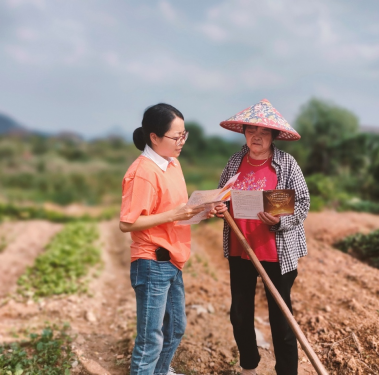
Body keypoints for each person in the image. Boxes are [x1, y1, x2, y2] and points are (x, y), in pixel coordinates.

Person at [119, 103, 224, 375]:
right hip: (152, 261)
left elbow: (178, 211)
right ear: (154, 137)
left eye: (184, 135)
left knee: (176, 328)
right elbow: (127, 222)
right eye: (176, 137)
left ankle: (160, 371)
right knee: (150, 338)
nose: (181, 142)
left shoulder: (172, 164)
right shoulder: (143, 172)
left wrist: (202, 209)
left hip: (173, 260)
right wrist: (173, 214)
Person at [216, 99, 310, 375]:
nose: (256, 136)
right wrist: (219, 207)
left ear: (273, 136)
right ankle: (249, 367)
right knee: (240, 315)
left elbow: (302, 202)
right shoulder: (235, 161)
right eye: (251, 130)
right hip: (240, 248)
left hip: (275, 251)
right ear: (244, 132)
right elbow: (221, 194)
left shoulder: (286, 164)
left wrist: (281, 220)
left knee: (281, 322)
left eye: (264, 132)